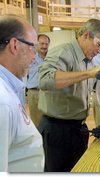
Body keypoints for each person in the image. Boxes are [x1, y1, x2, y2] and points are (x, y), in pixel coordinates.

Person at [37, 18, 100, 172]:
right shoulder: (64, 52)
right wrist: (88, 73)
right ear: (85, 35)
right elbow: (45, 80)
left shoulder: (88, 60)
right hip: (57, 131)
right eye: (99, 45)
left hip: (77, 130)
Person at [0, 14, 44, 172]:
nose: (34, 58)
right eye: (32, 47)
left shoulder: (9, 87)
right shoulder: (2, 100)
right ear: (14, 45)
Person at [25, 34, 50, 127]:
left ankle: (48, 141)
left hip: (48, 92)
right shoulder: (30, 57)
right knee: (37, 121)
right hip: (34, 92)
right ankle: (39, 141)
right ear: (37, 44)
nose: (44, 46)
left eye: (46, 44)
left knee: (49, 120)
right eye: (42, 43)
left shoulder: (51, 58)